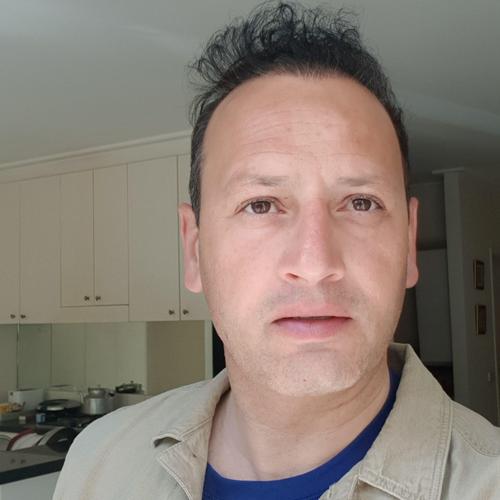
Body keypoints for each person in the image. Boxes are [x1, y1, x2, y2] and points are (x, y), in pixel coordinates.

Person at [53, 2, 500, 499]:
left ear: (409, 244)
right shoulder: (99, 459)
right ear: (194, 249)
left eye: (360, 203)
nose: (314, 264)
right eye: (261, 205)